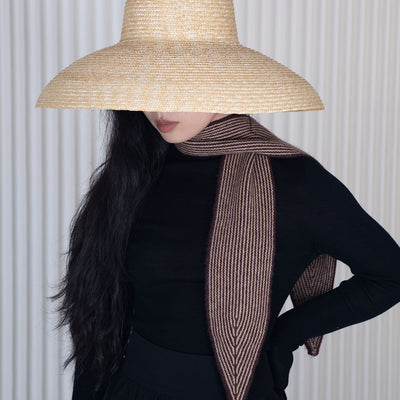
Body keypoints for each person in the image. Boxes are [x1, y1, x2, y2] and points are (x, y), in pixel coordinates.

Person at [36, 1, 400, 400]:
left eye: (178, 83)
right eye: (146, 83)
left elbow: (389, 274)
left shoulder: (295, 181)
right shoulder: (137, 170)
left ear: (224, 79)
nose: (158, 105)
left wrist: (285, 336)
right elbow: (102, 312)